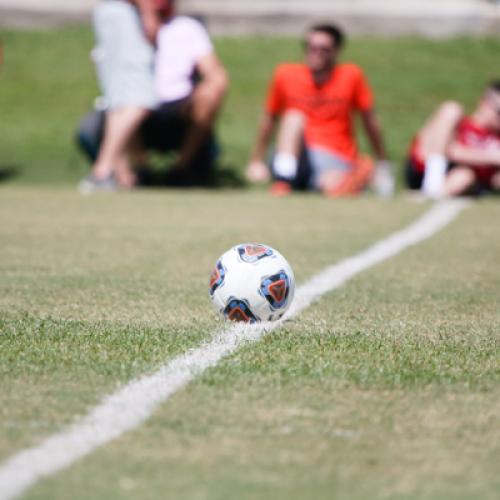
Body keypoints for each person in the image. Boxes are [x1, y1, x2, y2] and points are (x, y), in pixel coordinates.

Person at [77, 0, 228, 189]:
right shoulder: (129, 23)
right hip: (143, 100)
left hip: (177, 106)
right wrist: (148, 15)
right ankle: (128, 171)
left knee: (134, 104)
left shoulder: (186, 27)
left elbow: (216, 74)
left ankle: (180, 170)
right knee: (130, 103)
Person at [246, 23, 393, 197]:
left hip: (335, 155)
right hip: (293, 152)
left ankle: (351, 178)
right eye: (311, 47)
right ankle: (284, 181)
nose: (316, 53)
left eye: (324, 49)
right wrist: (256, 161)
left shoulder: (351, 75)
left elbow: (370, 122)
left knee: (331, 184)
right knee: (293, 117)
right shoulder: (285, 74)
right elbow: (269, 119)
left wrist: (383, 163)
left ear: (337, 50)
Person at [79, 0, 168, 193]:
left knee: (120, 100)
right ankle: (102, 171)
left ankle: (122, 173)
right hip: (127, 13)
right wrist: (148, 13)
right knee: (139, 99)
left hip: (117, 12)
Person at [406, 81, 500, 198]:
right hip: (425, 166)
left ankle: (430, 194)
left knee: (464, 176)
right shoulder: (462, 124)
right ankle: (432, 181)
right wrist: (492, 157)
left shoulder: (497, 140)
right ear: (484, 103)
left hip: (460, 179)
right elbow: (449, 150)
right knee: (451, 109)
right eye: (499, 111)